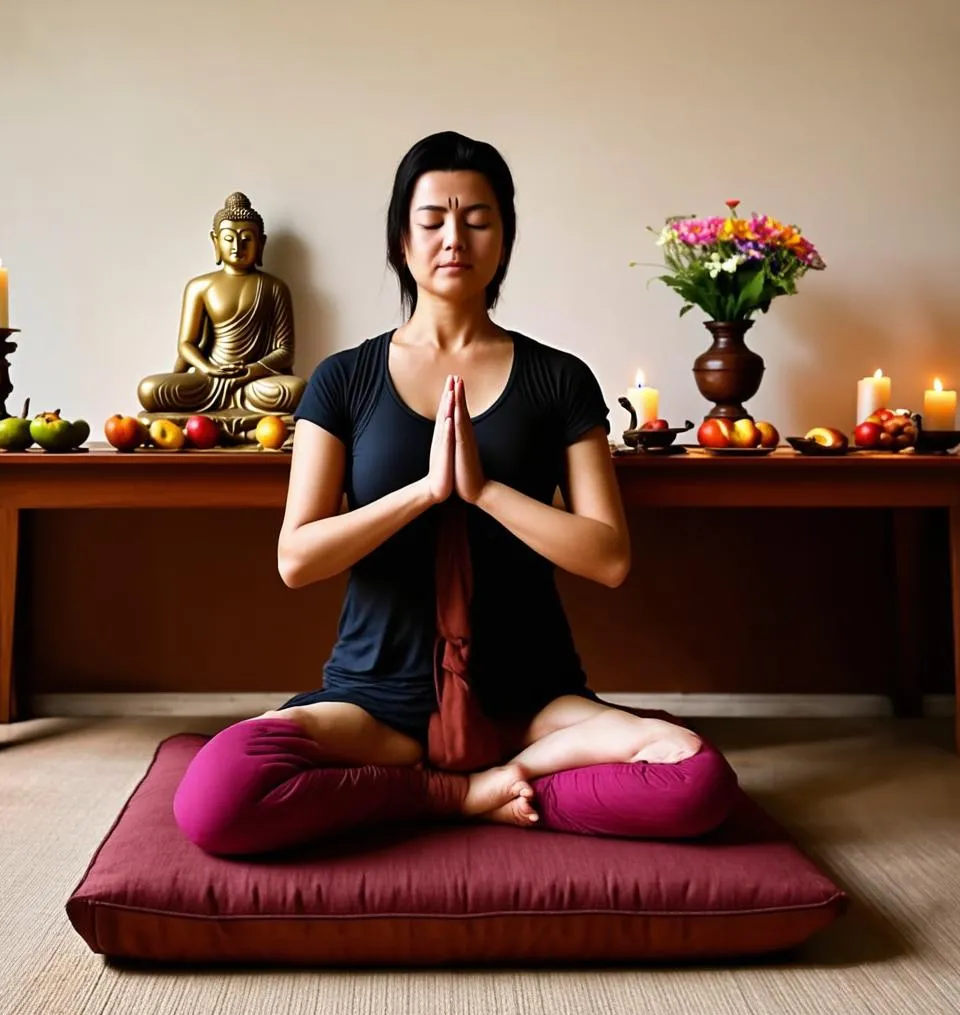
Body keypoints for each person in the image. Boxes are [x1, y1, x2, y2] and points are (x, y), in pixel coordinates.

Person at [173, 132, 738, 856]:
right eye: (433, 218)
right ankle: (460, 794)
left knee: (695, 777)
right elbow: (297, 558)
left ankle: (509, 777)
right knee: (219, 794)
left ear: (503, 237)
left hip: (532, 701)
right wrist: (425, 492)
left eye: (477, 219)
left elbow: (609, 556)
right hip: (375, 703)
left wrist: (483, 490)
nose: (454, 237)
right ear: (401, 241)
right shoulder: (343, 380)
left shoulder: (559, 379)